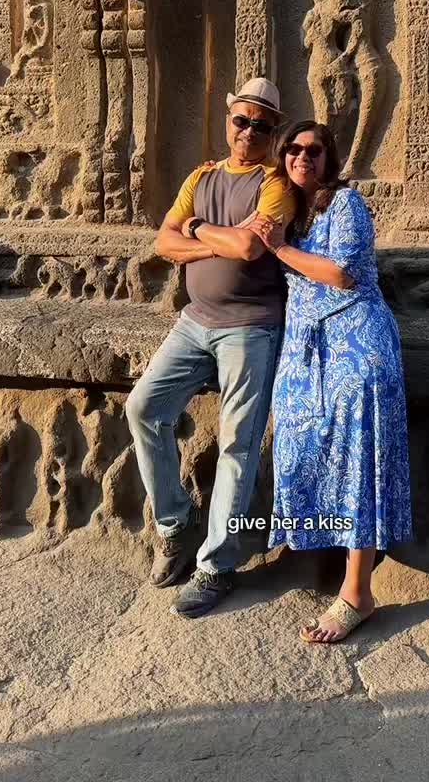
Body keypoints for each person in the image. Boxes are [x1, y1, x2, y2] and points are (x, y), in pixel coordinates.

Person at [126, 78, 295, 618]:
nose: (249, 132)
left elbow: (249, 246)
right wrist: (210, 233)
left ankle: (217, 565)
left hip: (251, 326)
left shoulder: (277, 184)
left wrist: (196, 231)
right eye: (241, 120)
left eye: (261, 125)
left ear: (274, 132)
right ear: (228, 121)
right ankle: (174, 525)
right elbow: (163, 241)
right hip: (194, 322)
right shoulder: (201, 177)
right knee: (144, 407)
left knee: (237, 443)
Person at [250, 120, 412, 643]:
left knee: (358, 460)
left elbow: (343, 274)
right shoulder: (285, 210)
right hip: (305, 350)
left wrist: (279, 249)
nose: (303, 157)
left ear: (329, 159)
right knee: (300, 449)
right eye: (293, 149)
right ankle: (316, 557)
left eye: (314, 150)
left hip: (356, 344)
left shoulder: (345, 204)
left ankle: (357, 591)